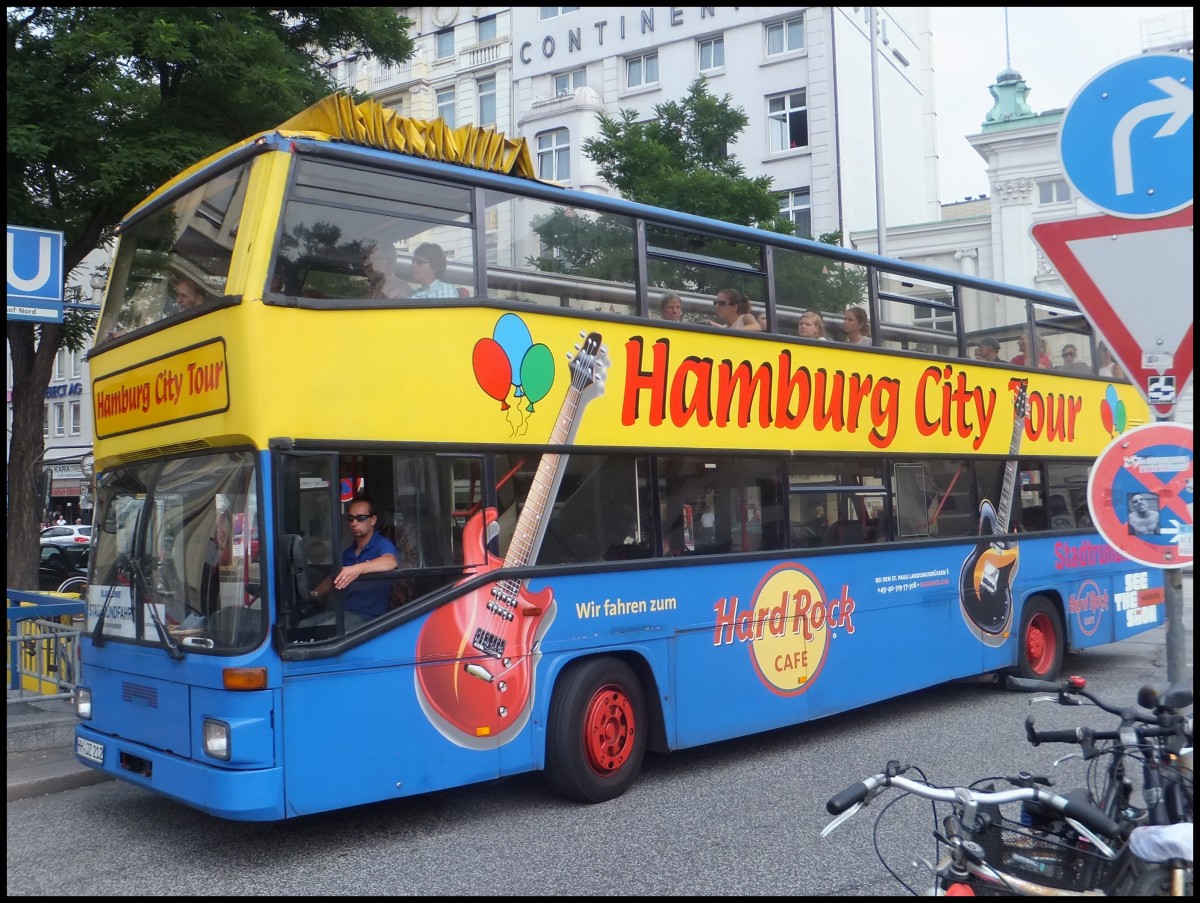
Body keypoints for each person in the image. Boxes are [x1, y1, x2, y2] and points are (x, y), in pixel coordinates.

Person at [308, 493, 399, 627]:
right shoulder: (348, 552)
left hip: (366, 618)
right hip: (340, 612)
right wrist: (314, 594)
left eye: (361, 518)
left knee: (321, 632)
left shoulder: (382, 544)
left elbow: (390, 562)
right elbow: (332, 578)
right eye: (351, 519)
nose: (354, 523)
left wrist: (358, 569)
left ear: (373, 520)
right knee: (303, 626)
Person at [198, 508, 233, 616]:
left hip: (213, 588)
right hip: (206, 588)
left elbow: (225, 562)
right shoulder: (208, 546)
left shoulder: (222, 549)